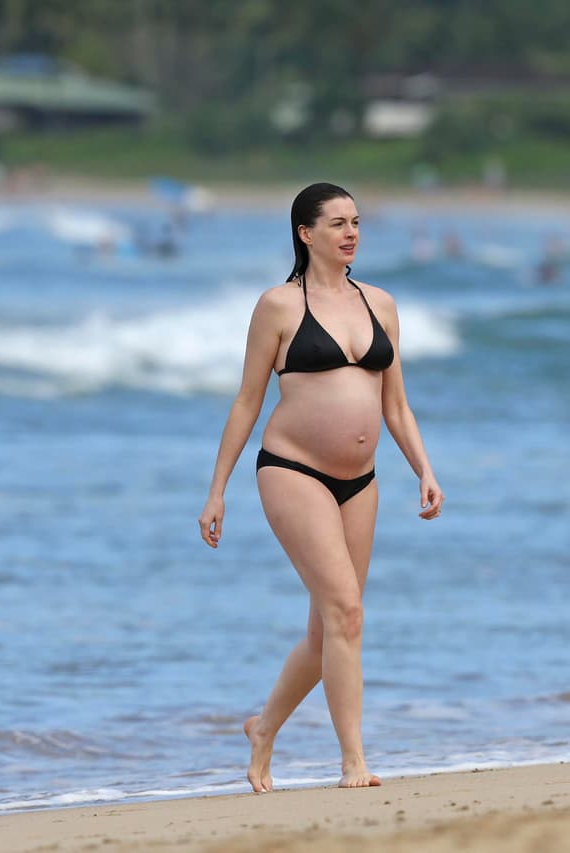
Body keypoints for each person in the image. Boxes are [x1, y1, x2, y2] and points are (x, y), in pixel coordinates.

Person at [199, 182, 444, 790]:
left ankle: (263, 729)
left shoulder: (380, 303)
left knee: (329, 630)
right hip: (292, 470)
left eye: (356, 221)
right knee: (348, 612)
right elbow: (247, 402)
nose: (351, 232)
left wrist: (425, 469)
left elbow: (397, 407)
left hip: (361, 482)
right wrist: (217, 490)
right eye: (336, 223)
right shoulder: (279, 306)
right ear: (306, 234)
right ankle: (353, 761)